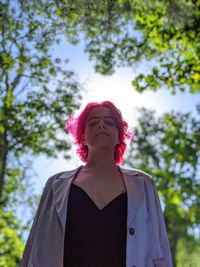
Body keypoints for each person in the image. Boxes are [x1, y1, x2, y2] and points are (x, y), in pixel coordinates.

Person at [21, 101, 173, 267]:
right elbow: (33, 248)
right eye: (93, 123)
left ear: (119, 136)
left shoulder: (144, 183)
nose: (101, 125)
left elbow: (160, 247)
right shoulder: (55, 184)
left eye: (109, 122)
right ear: (82, 137)